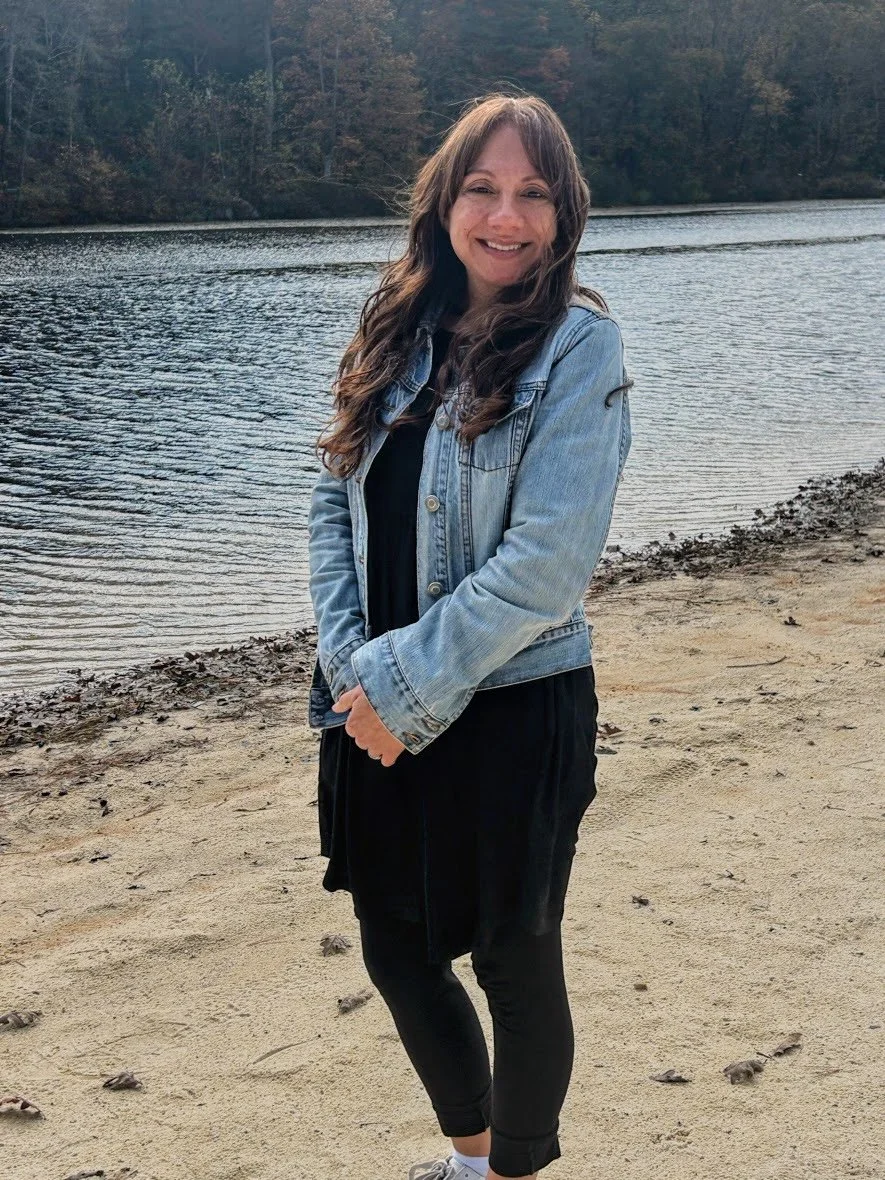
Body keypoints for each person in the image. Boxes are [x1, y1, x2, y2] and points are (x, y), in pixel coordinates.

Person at [307, 92, 633, 1180]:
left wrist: (403, 686)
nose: (508, 216)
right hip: (372, 697)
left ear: (563, 210)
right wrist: (356, 669)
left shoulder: (580, 348)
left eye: (533, 193)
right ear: (445, 201)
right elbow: (328, 496)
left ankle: (514, 1172)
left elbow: (547, 566)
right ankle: (473, 1150)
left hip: (513, 704)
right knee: (395, 947)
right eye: (484, 188)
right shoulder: (389, 324)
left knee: (512, 952)